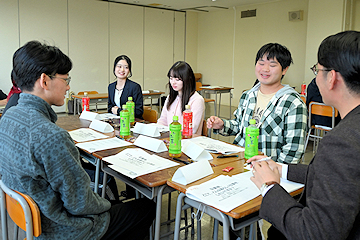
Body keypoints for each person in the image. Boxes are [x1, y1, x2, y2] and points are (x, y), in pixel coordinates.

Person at [0, 41, 155, 240]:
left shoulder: (8, 118)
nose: (68, 86)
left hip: (33, 221)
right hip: (64, 229)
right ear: (44, 81)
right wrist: (107, 204)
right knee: (144, 208)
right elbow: (80, 203)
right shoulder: (51, 136)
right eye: (66, 79)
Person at [248, 30, 360, 240]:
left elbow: (315, 232)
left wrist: (269, 186)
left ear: (332, 78)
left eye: (316, 70)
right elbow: (338, 177)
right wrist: (281, 169)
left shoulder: (342, 141)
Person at [207, 43, 307, 164]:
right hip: (240, 162)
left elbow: (293, 150)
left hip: (268, 168)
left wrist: (275, 172)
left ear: (284, 69)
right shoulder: (248, 96)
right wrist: (222, 125)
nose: (265, 69)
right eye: (261, 63)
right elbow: (239, 126)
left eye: (272, 65)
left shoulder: (293, 103)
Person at [157, 61, 205, 135]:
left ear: (187, 79)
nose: (173, 82)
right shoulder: (171, 97)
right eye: (171, 78)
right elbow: (163, 120)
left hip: (187, 141)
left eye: (177, 79)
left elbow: (192, 130)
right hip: (169, 138)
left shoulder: (197, 100)